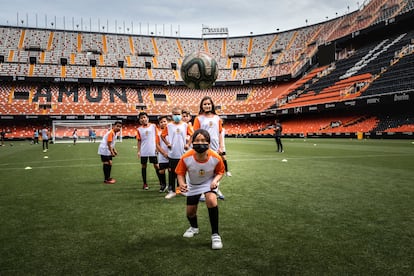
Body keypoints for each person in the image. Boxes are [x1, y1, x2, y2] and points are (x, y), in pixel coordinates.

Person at [176, 129, 225, 250]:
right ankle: (194, 227)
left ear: (209, 143)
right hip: (192, 184)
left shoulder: (216, 157)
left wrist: (215, 181)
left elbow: (220, 172)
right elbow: (180, 173)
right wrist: (182, 184)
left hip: (209, 182)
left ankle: (215, 234)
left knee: (211, 200)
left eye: (203, 140)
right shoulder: (186, 157)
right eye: (197, 140)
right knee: (190, 212)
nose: (200, 142)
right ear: (192, 142)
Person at [193, 96, 225, 200]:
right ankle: (202, 192)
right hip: (203, 147)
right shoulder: (198, 118)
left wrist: (221, 146)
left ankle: (215, 188)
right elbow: (196, 133)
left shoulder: (217, 118)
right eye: (205, 104)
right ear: (202, 106)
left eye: (209, 104)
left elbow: (220, 133)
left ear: (212, 105)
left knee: (216, 170)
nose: (207, 106)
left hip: (215, 148)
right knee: (204, 170)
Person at [161, 107, 193, 199]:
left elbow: (192, 135)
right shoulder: (169, 126)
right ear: (172, 115)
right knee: (172, 172)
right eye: (175, 114)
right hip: (172, 153)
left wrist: (188, 144)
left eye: (178, 114)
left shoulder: (185, 125)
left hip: (183, 153)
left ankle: (182, 190)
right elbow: (162, 136)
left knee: (182, 172)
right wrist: (167, 143)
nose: (177, 116)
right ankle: (172, 191)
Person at [137, 112, 163, 190]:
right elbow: (139, 141)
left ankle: (161, 182)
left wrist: (158, 147)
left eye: (144, 117)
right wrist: (139, 151)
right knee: (144, 166)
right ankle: (145, 183)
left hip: (153, 149)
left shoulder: (153, 126)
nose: (143, 119)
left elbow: (157, 136)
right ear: (139, 120)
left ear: (147, 118)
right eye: (141, 118)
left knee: (156, 165)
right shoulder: (139, 129)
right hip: (144, 150)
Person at [156, 115, 170, 193]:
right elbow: (157, 144)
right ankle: (163, 185)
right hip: (162, 155)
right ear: (159, 124)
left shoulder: (171, 131)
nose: (163, 123)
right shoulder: (158, 134)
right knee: (161, 171)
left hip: (171, 154)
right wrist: (164, 153)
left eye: (164, 121)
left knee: (171, 170)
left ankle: (171, 186)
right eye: (161, 122)